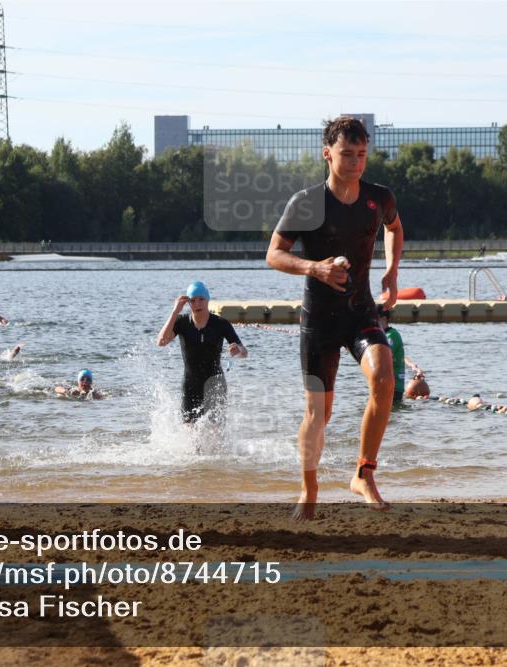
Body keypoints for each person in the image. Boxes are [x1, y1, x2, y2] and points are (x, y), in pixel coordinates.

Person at [266, 116, 403, 520]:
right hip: (319, 321)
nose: (356, 163)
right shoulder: (307, 203)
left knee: (384, 377)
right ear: (327, 154)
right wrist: (315, 268)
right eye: (347, 154)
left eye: (362, 155)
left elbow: (394, 228)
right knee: (318, 414)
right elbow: (274, 253)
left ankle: (364, 474)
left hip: (360, 310)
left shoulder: (379, 198)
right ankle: (308, 491)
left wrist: (392, 271)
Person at [156, 281, 247, 423]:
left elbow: (244, 352)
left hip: (215, 383)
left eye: (201, 299)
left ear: (208, 299)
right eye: (192, 301)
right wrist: (175, 312)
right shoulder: (182, 322)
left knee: (215, 431)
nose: (197, 304)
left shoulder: (220, 323)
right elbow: (161, 342)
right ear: (188, 303)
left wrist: (237, 350)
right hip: (190, 384)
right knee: (189, 433)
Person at [377, 306, 405, 406]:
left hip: (394, 388)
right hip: (384, 386)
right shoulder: (381, 336)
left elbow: (382, 357)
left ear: (383, 318)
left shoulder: (392, 335)